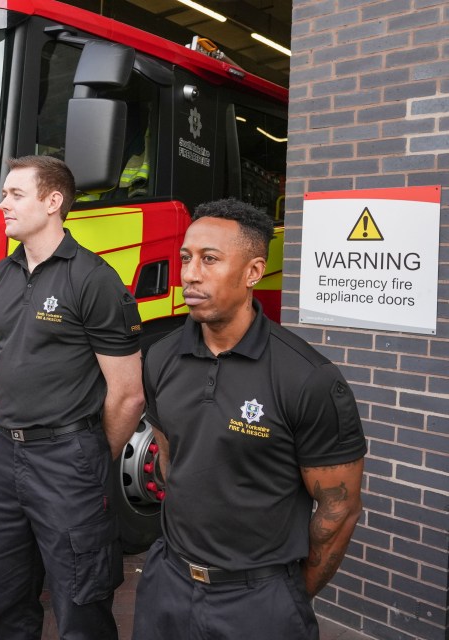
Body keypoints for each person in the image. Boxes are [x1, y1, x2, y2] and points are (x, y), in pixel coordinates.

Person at [131, 199, 366, 640]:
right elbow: (171, 459)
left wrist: (289, 595)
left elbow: (339, 508)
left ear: (254, 272)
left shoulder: (307, 378)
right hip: (168, 586)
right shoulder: (161, 357)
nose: (190, 274)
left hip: (259, 602)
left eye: (210, 260)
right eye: (186, 258)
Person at [0, 155, 145, 639]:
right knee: (5, 594)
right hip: (4, 454)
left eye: (15, 194)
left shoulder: (93, 279)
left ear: (53, 202)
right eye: (4, 192)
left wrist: (85, 452)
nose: (2, 203)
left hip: (68, 460)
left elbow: (129, 395)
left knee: (81, 602)